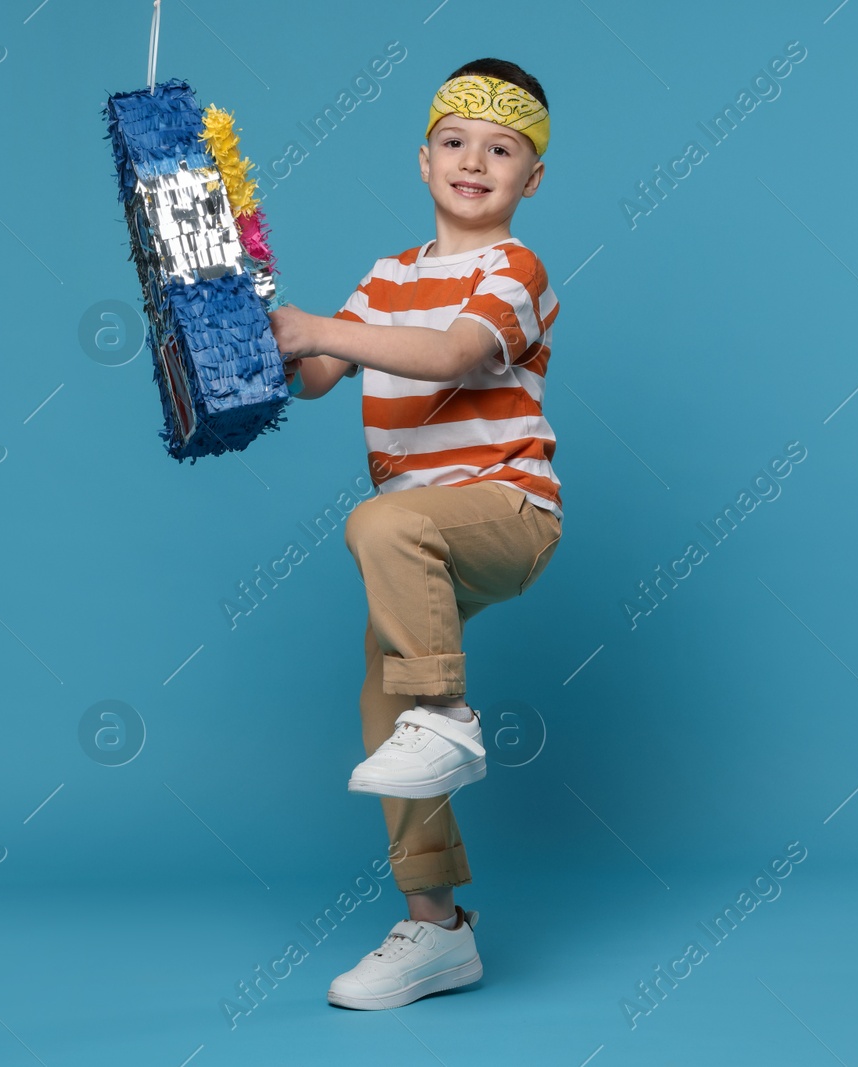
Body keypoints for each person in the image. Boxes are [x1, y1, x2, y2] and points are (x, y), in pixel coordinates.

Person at [266, 57, 562, 1011]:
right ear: (424, 157)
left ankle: (452, 715)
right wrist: (249, 332)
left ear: (532, 178)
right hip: (414, 548)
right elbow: (313, 374)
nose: (474, 159)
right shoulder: (388, 278)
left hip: (507, 515)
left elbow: (449, 354)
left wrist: (318, 330)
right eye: (455, 140)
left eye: (502, 148)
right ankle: (436, 930)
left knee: (381, 523)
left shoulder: (511, 270)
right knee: (381, 713)